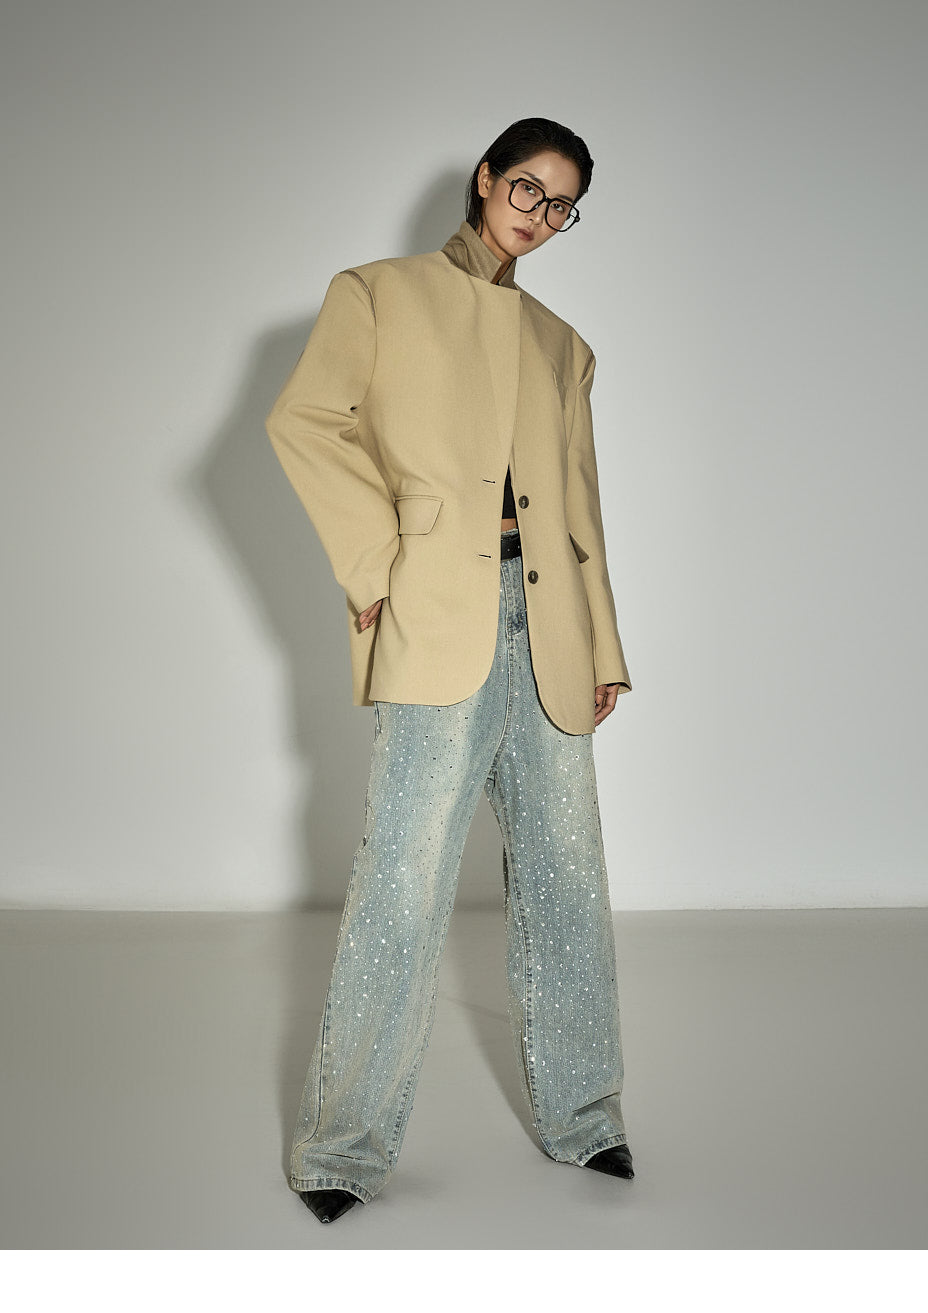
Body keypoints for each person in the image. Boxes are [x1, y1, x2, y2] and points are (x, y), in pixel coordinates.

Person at [265, 117, 635, 1224]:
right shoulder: (378, 294)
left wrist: (604, 645)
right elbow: (306, 422)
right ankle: (341, 1147)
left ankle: (587, 1118)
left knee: (568, 881)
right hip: (437, 616)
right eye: (526, 187)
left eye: (560, 204)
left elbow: (581, 513)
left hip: (547, 630)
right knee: (403, 880)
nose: (539, 214)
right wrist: (377, 563)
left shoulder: (562, 344)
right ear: (485, 179)